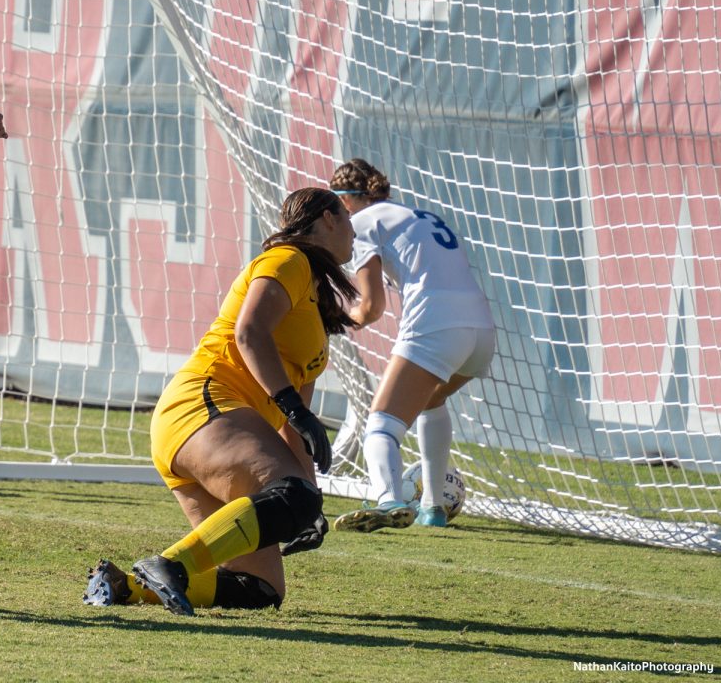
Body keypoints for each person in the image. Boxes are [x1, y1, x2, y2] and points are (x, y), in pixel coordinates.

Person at [84, 188, 357, 616]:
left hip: (204, 428)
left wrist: (312, 503)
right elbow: (250, 333)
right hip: (201, 407)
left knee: (260, 590)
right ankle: (169, 564)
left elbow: (293, 427)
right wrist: (293, 410)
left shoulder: (314, 299)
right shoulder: (288, 259)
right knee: (291, 497)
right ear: (328, 218)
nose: (355, 235)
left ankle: (123, 589)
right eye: (349, 219)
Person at [328, 158, 495, 530]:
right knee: (432, 400)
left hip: (437, 323)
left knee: (381, 425)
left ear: (343, 202)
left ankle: (390, 501)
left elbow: (371, 308)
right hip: (482, 330)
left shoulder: (360, 224)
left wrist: (333, 320)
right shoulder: (416, 215)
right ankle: (433, 508)